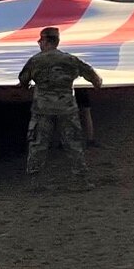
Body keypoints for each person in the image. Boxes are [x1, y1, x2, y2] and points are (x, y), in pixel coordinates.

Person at [18, 26, 103, 187]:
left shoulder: (35, 61)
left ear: (45, 41)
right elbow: (92, 75)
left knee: (38, 144)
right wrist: (97, 84)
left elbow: (23, 80)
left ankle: (35, 181)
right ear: (57, 41)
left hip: (42, 109)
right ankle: (81, 180)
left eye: (40, 41)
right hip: (66, 108)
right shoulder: (70, 60)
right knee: (73, 143)